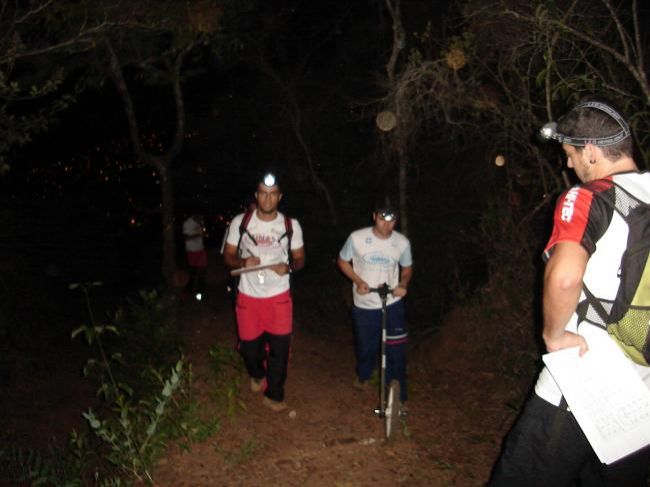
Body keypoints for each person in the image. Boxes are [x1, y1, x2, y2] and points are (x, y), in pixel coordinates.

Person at [489, 99, 650, 486]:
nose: (567, 164)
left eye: (569, 154)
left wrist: (554, 335)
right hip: (641, 403)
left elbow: (564, 277)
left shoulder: (590, 196)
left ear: (591, 152)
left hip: (583, 385)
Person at [222, 173, 305, 412]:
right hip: (248, 295)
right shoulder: (241, 222)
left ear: (279, 197)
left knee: (280, 349)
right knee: (249, 349)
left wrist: (287, 267)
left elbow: (300, 259)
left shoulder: (291, 225)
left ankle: (275, 394)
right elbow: (228, 256)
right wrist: (241, 262)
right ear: (256, 195)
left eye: (272, 194)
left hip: (279, 296)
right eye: (263, 193)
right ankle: (257, 373)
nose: (267, 199)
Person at [337, 196, 413, 411]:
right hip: (365, 303)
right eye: (382, 218)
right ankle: (364, 375)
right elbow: (342, 260)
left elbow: (407, 268)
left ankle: (398, 399)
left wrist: (403, 283)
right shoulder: (357, 238)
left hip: (392, 302)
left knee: (396, 350)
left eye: (391, 219)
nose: (386, 224)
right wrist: (358, 280)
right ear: (374, 217)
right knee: (366, 347)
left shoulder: (402, 242)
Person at [182, 212, 207, 300]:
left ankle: (201, 293)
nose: (201, 218)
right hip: (191, 250)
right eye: (199, 216)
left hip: (200, 249)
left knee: (202, 271)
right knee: (193, 272)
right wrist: (198, 235)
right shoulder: (187, 223)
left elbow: (203, 233)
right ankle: (189, 292)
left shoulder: (200, 222)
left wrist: (203, 234)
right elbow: (185, 238)